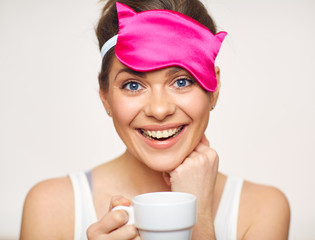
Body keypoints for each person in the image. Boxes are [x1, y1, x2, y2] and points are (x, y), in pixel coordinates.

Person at [20, 0, 290, 239]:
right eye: (133, 85)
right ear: (105, 97)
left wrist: (199, 218)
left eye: (182, 81)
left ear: (214, 88)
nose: (159, 110)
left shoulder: (262, 210)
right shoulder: (51, 207)